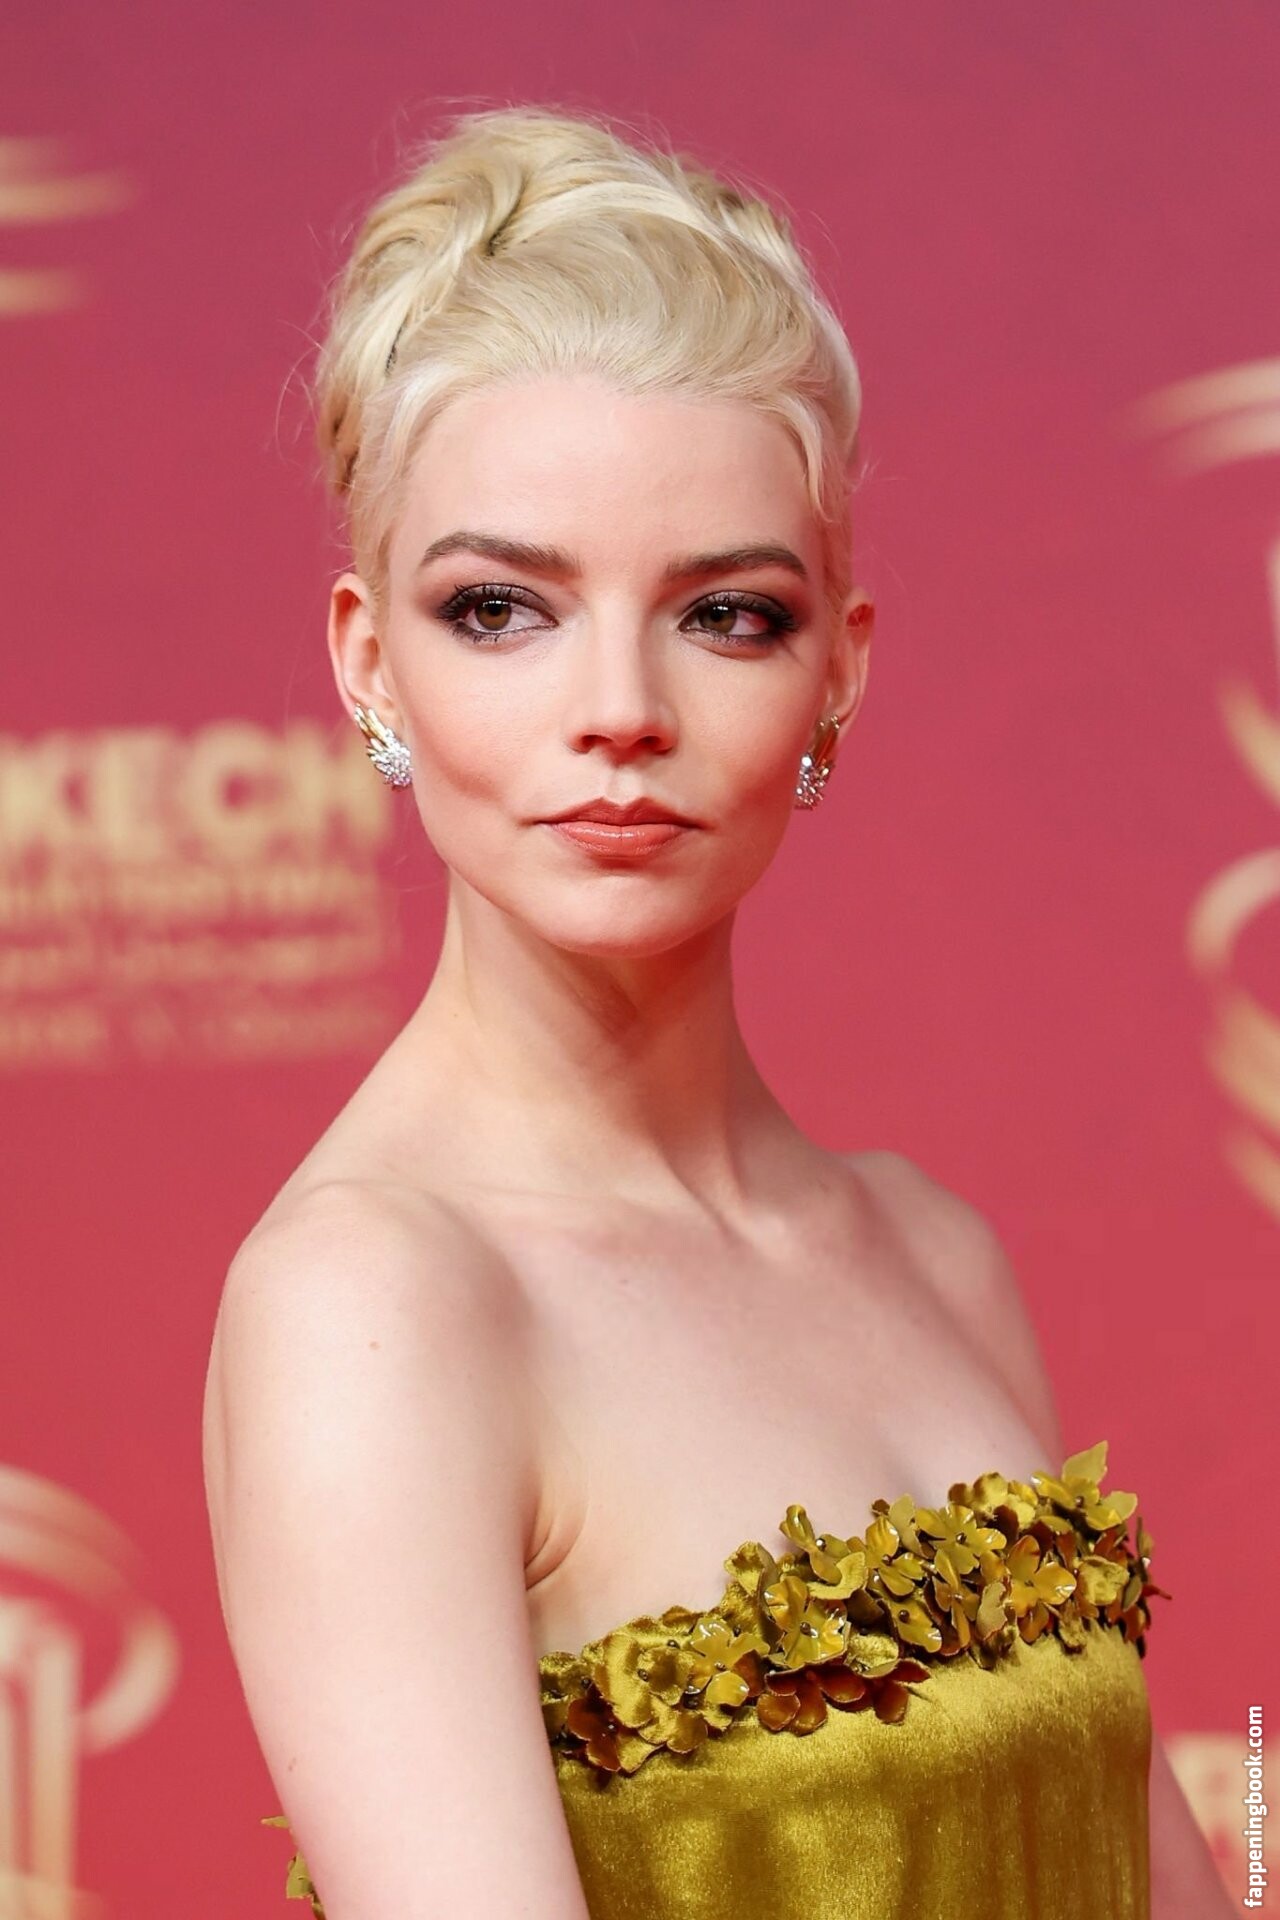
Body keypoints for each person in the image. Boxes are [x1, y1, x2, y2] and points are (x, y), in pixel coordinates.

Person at [202, 103, 1229, 1919]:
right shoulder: (374, 1304)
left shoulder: (934, 1254)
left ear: (839, 669)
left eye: (727, 615)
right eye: (502, 608)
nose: (621, 707)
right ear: (371, 663)